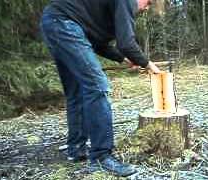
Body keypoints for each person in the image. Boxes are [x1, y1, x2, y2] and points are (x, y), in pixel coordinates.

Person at [40, 0, 162, 177]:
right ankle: (101, 157)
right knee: (97, 86)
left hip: (54, 21)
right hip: (64, 23)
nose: (146, 8)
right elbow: (126, 43)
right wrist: (147, 63)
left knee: (76, 91)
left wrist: (122, 58)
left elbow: (96, 42)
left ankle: (76, 149)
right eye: (148, 2)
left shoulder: (108, 10)